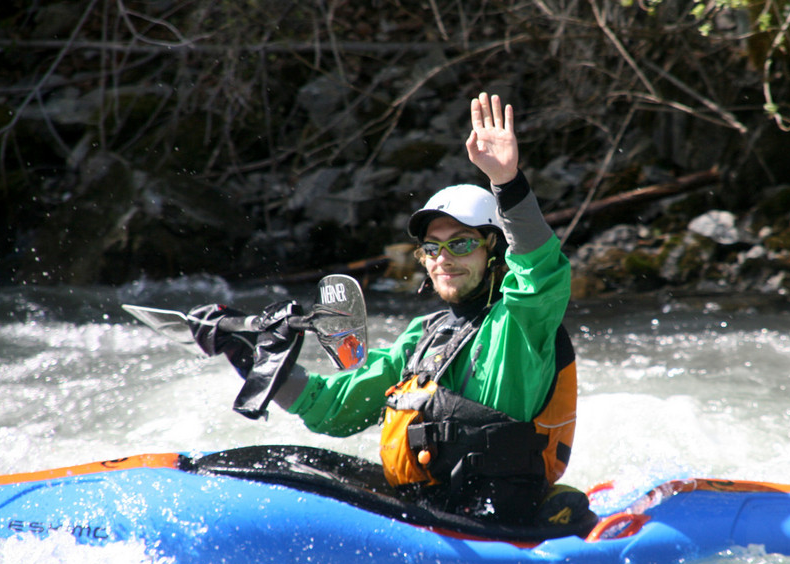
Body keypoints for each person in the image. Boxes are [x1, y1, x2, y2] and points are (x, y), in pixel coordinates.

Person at [191, 93, 582, 526]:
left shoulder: (522, 322)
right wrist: (251, 356)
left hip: (495, 523)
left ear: (495, 251)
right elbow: (333, 410)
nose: (443, 258)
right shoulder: (423, 337)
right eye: (432, 247)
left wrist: (507, 183)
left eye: (462, 244)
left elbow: (540, 270)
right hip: (431, 513)